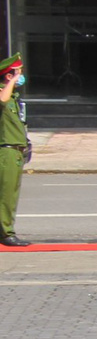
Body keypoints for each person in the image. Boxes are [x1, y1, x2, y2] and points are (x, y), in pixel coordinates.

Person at [0, 54, 28, 247]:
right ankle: (6, 233)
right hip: (6, 151)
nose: (21, 77)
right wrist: (11, 83)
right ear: (9, 77)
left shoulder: (15, 98)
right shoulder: (4, 94)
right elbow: (2, 100)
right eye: (18, 73)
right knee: (6, 195)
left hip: (16, 151)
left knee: (12, 194)